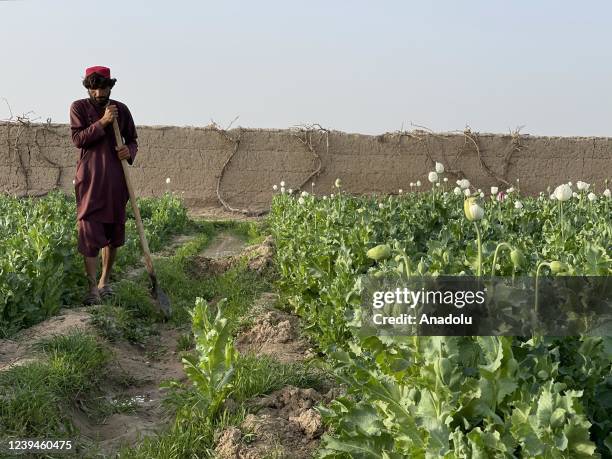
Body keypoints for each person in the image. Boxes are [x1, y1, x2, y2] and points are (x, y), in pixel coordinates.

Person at [69, 65, 138, 305]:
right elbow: (78, 139)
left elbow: (133, 141)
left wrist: (127, 150)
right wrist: (104, 122)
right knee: (89, 231)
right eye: (94, 88)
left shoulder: (122, 110)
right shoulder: (78, 108)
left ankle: (104, 282)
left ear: (110, 86)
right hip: (90, 181)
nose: (99, 93)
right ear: (88, 88)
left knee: (113, 231)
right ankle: (92, 289)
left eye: (103, 88)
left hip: (116, 183)